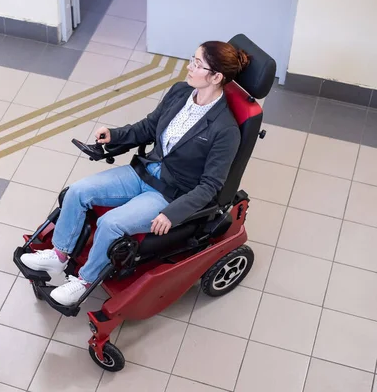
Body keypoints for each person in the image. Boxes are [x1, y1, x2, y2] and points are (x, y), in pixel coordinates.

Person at [21, 40, 250, 306]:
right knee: (78, 191)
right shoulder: (179, 93)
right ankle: (59, 257)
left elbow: (210, 186)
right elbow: (149, 127)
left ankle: (83, 282)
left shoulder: (225, 130)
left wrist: (172, 213)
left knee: (111, 224)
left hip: (169, 193)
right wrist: (114, 136)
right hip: (144, 171)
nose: (189, 67)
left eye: (197, 64)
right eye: (192, 59)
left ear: (216, 76)